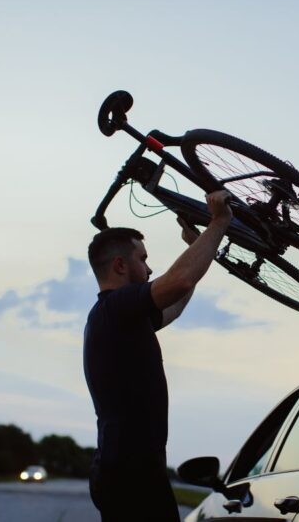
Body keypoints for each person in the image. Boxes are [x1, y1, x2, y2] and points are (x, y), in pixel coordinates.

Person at [84, 190, 232, 521]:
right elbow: (177, 281)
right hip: (129, 472)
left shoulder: (122, 317)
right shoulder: (115, 308)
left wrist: (196, 247)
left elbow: (175, 303)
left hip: (132, 469)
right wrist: (218, 222)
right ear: (120, 265)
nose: (149, 269)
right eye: (143, 259)